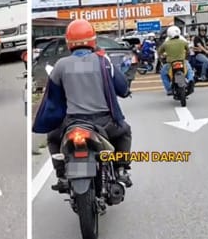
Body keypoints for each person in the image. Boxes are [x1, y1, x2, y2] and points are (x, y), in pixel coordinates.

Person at [33, 19, 133, 192]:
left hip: (72, 123)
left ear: (68, 42)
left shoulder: (61, 65)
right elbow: (122, 88)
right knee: (124, 132)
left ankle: (62, 175)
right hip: (105, 123)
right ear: (93, 40)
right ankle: (121, 169)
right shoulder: (104, 61)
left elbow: (52, 99)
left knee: (52, 137)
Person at [158, 26, 195, 96]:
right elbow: (188, 51)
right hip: (182, 62)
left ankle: (169, 89)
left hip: (170, 64)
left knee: (163, 73)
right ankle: (190, 80)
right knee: (189, 70)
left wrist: (162, 56)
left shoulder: (166, 43)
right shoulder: (183, 41)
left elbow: (159, 52)